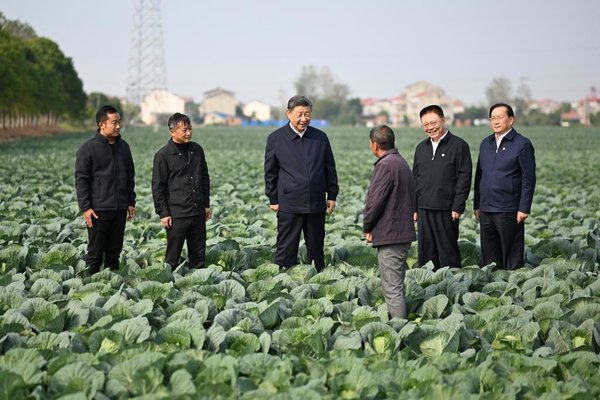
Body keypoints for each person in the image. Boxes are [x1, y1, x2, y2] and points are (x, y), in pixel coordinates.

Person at [264, 95, 339, 272]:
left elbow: (330, 167)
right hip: (289, 203)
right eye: (299, 114)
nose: (303, 119)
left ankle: (318, 278)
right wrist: (273, 198)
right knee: (286, 248)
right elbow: (270, 172)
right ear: (288, 114)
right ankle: (283, 279)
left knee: (316, 248)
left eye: (307, 114)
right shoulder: (276, 138)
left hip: (316, 203)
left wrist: (332, 194)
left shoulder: (320, 137)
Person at [74, 105, 136, 274]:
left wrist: (130, 202)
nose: (118, 126)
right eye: (114, 123)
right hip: (98, 211)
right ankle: (89, 287)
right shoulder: (88, 148)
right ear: (102, 124)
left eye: (119, 122)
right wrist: (85, 208)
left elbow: (129, 175)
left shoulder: (124, 147)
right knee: (95, 254)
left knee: (114, 254)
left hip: (119, 209)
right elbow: (81, 180)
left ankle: (113, 288)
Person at [474, 103, 536, 270]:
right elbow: (480, 175)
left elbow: (528, 179)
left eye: (499, 117)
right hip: (486, 208)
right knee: (489, 255)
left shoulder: (522, 144)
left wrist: (524, 208)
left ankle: (514, 282)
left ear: (510, 120)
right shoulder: (485, 143)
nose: (495, 121)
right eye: (492, 118)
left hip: (509, 208)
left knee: (511, 254)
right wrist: (477, 204)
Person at [363, 125, 416, 319]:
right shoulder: (401, 162)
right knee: (397, 285)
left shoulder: (385, 165)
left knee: (392, 289)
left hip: (390, 234)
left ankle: (399, 332)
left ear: (374, 145)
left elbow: (374, 202)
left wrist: (367, 226)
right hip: (402, 233)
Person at [412, 105, 472, 269]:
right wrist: (414, 207)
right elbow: (415, 178)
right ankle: (428, 288)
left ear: (443, 120)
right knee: (426, 252)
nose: (430, 128)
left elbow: (464, 177)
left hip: (447, 209)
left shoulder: (459, 146)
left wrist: (458, 205)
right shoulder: (421, 148)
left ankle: (452, 285)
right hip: (424, 208)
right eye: (425, 125)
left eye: (433, 122)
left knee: (448, 252)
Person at [152, 113, 211, 269]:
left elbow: (204, 178)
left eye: (190, 129)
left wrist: (206, 204)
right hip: (177, 214)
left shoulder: (197, 150)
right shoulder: (163, 155)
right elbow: (158, 186)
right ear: (172, 131)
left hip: (197, 211)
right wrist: (163, 213)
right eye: (184, 130)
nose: (189, 133)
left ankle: (198, 286)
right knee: (172, 257)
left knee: (198, 257)